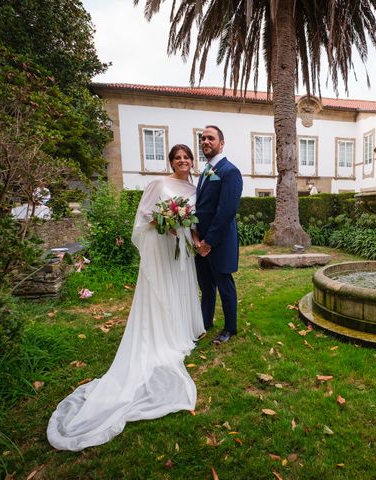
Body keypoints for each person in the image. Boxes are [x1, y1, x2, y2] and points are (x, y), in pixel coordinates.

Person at [47, 145, 205, 451]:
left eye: (187, 157)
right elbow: (144, 216)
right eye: (178, 158)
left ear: (191, 161)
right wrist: (165, 223)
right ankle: (164, 334)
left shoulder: (193, 186)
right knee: (163, 288)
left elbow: (194, 218)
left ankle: (180, 329)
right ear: (171, 161)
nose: (183, 161)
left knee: (181, 285)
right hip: (162, 245)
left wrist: (192, 235)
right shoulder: (158, 184)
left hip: (183, 246)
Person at [194, 125, 243, 344]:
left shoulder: (229, 171)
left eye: (210, 138)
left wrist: (209, 242)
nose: (205, 142)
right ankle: (206, 322)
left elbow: (226, 211)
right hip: (201, 242)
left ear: (221, 143)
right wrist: (198, 239)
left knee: (224, 285)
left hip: (219, 241)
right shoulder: (205, 172)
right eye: (202, 138)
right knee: (206, 286)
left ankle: (230, 328)